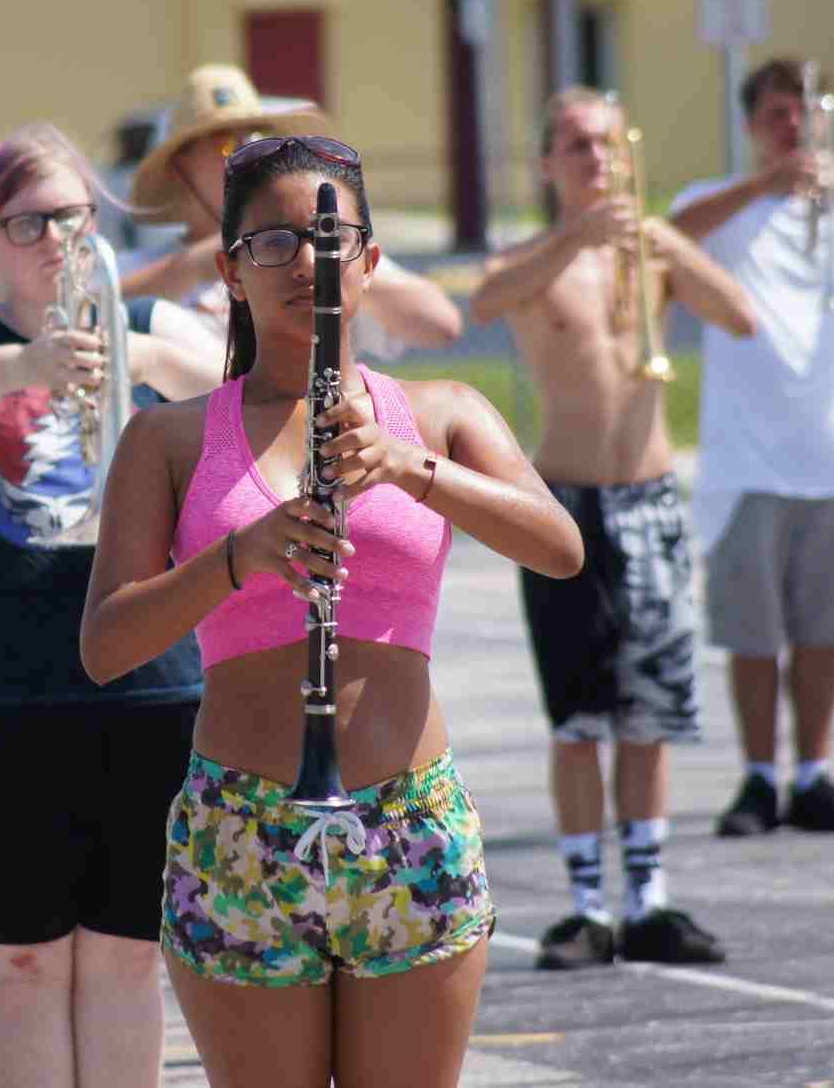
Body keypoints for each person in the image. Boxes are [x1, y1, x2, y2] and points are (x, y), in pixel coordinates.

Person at [80, 135, 584, 1088]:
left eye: (326, 239)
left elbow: (560, 547)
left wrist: (411, 467)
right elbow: (106, 645)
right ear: (229, 270)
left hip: (409, 819)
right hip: (243, 826)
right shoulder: (168, 437)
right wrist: (240, 556)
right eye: (269, 243)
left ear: (369, 260)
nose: (301, 263)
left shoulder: (439, 411)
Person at [0, 123, 223, 1088]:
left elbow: (246, 390)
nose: (54, 238)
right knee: (21, 963)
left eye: (71, 216)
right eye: (26, 222)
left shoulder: (150, 329)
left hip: (150, 694)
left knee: (126, 957)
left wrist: (137, 356)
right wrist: (26, 366)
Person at [467, 88, 755, 968]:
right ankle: (588, 904)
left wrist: (666, 241)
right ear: (547, 164)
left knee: (649, 711)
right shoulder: (532, 259)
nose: (594, 158)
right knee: (577, 717)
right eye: (575, 145)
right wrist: (573, 238)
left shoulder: (650, 251)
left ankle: (649, 898)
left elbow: (741, 317)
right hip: (566, 506)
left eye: (603, 143)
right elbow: (485, 302)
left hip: (651, 500)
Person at [668, 56, 834, 839]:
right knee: (753, 632)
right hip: (746, 459)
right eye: (778, 114)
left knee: (825, 629)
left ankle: (813, 773)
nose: (794, 127)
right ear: (752, 126)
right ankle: (759, 776)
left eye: (805, 112)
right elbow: (667, 238)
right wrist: (764, 185)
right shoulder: (719, 201)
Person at [121, 63, 463, 355]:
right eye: (225, 144)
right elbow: (102, 312)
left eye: (255, 138)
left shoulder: (316, 247)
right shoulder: (135, 269)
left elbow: (441, 324)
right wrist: (196, 265)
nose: (246, 152)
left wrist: (338, 274)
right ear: (180, 168)